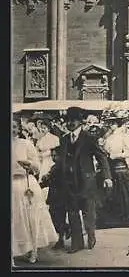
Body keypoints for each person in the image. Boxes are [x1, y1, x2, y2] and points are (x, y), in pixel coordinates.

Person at [59, 107, 112, 253]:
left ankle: (91, 233)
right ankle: (77, 243)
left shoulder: (88, 138)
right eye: (68, 120)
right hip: (69, 182)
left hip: (86, 182)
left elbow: (101, 157)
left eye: (73, 120)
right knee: (73, 212)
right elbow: (61, 161)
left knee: (88, 212)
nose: (70, 123)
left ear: (80, 122)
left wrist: (107, 177)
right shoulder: (64, 139)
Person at [12, 117, 58, 264]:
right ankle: (12, 251)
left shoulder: (26, 144)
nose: (11, 130)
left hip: (25, 184)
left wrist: (29, 164)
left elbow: (37, 166)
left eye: (14, 127)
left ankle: (33, 251)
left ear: (18, 129)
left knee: (31, 218)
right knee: (14, 220)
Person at [97, 110, 129, 229]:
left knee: (122, 193)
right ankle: (110, 218)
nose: (111, 125)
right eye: (109, 123)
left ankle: (123, 218)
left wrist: (116, 155)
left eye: (113, 123)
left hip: (120, 168)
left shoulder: (124, 136)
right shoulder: (108, 137)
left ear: (118, 123)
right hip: (109, 168)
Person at [39, 146, 69, 251]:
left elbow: (50, 179)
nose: (53, 157)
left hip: (60, 196)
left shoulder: (59, 167)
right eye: (52, 155)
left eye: (55, 155)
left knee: (58, 218)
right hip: (55, 196)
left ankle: (61, 238)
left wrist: (44, 180)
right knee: (55, 218)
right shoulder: (54, 167)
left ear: (61, 156)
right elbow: (48, 180)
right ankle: (65, 230)